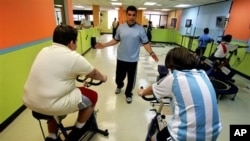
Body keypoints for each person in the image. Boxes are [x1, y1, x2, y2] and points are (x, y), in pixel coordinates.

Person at [23, 25, 107, 141]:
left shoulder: (44, 50)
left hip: (31, 102)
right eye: (76, 42)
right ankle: (78, 130)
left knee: (53, 101)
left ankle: (51, 136)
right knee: (92, 96)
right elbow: (93, 73)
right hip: (49, 104)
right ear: (71, 42)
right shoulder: (73, 57)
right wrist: (103, 78)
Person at [138, 47, 222, 141]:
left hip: (186, 136)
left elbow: (152, 89)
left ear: (172, 65)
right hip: (214, 132)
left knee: (153, 138)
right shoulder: (203, 74)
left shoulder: (175, 77)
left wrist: (142, 92)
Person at [95, 5, 159, 104]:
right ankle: (119, 85)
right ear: (126, 15)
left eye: (133, 15)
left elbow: (145, 43)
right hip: (121, 57)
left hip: (133, 60)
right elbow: (115, 40)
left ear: (136, 16)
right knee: (119, 77)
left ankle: (128, 93)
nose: (131, 17)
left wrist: (151, 52)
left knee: (131, 80)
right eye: (129, 14)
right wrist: (104, 45)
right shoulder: (121, 27)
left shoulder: (140, 29)